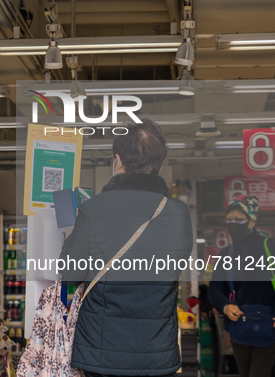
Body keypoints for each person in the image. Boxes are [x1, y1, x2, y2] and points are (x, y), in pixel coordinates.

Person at [59, 119, 193, 377]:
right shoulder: (179, 213)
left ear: (117, 160)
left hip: (101, 351)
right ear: (160, 165)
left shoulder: (93, 209)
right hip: (157, 351)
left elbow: (70, 275)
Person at [208, 196, 275, 377]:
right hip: (238, 327)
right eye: (229, 219)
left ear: (252, 221)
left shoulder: (271, 247)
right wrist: (225, 305)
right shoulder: (225, 254)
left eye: (239, 219)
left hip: (268, 325)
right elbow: (215, 287)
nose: (233, 223)